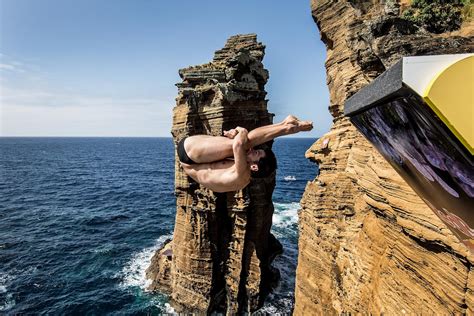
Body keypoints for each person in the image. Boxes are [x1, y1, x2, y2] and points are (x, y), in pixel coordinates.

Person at [177, 115, 313, 192]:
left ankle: (288, 127)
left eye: (257, 153)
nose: (253, 151)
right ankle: (285, 124)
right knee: (244, 146)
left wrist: (240, 130)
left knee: (245, 143)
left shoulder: (240, 175)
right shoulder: (245, 171)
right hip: (198, 155)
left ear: (255, 167)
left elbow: (239, 144)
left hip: (189, 155)